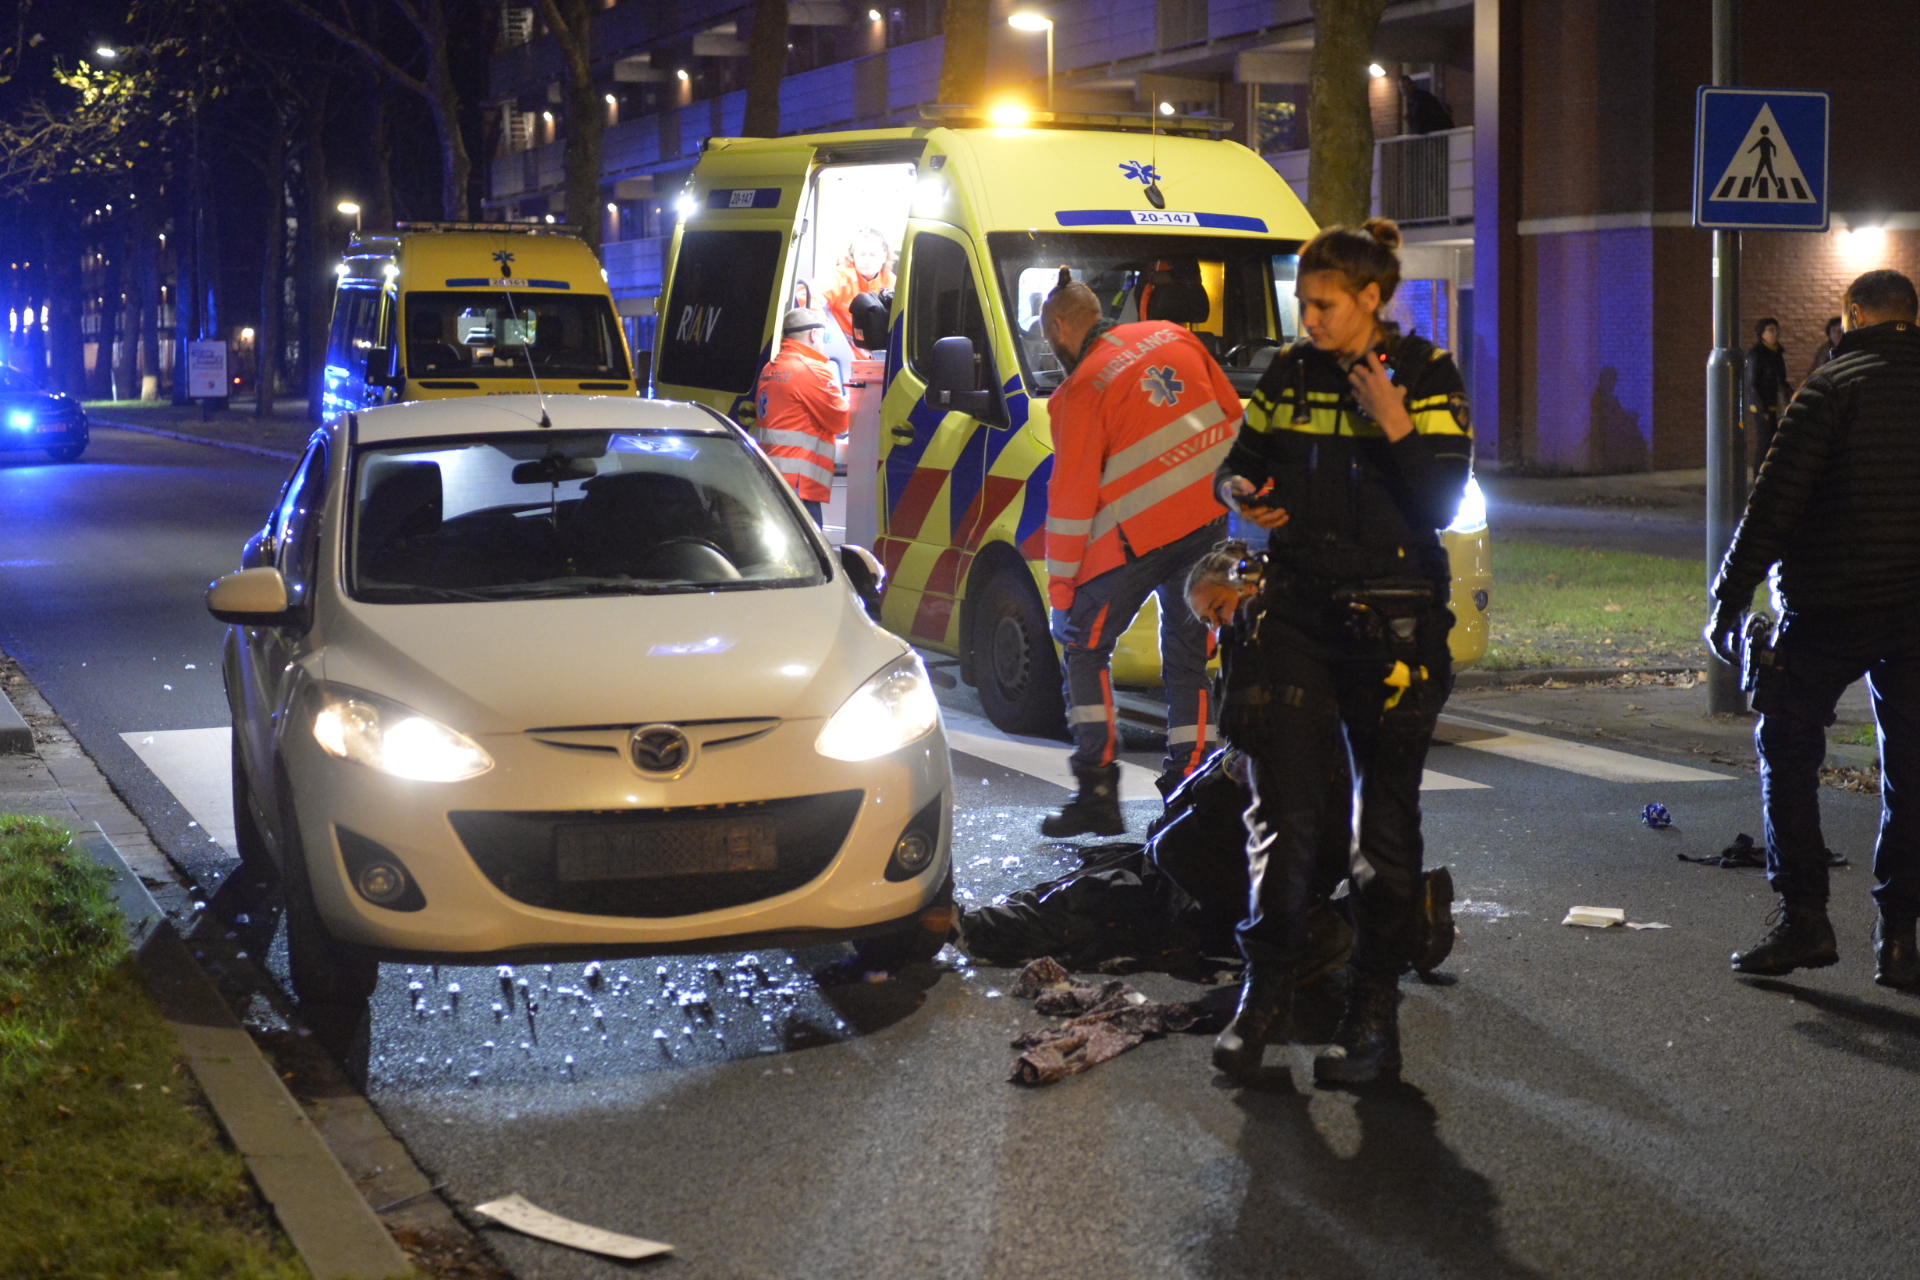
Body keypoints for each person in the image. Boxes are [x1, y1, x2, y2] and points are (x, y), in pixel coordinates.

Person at [1208, 217, 1471, 1085]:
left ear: (1371, 298)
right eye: (1301, 301)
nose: (1307, 318)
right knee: (1282, 813)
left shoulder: (1427, 375)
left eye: (1323, 304)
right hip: (1297, 613)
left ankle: (1372, 1016)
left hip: (1395, 622)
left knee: (1381, 829)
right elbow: (1238, 465)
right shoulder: (1287, 373)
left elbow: (1439, 499)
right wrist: (1247, 489)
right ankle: (1265, 996)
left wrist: (1395, 422)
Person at [1707, 269, 1920, 991]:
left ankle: (1805, 919)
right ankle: (1899, 939)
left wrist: (1727, 599)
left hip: (1829, 607)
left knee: (1788, 748)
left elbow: (1772, 506)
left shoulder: (1831, 388)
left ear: (1853, 317)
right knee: (1912, 773)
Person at [1038, 266, 1241, 836]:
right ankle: (1193, 792)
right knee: (1188, 657)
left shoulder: (1079, 392)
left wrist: (1061, 591)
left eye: (1047, 338)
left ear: (1059, 327)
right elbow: (1232, 417)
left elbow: (1072, 502)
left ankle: (1098, 791)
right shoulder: (1175, 336)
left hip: (1138, 540)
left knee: (1083, 647)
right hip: (1206, 523)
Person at [752, 308, 847, 526]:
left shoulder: (771, 367)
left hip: (774, 475)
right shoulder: (811, 369)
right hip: (798, 481)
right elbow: (841, 421)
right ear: (814, 335)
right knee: (810, 554)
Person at [820, 228, 897, 352]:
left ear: (884, 257)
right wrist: (821, 322)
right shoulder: (841, 277)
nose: (867, 260)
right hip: (845, 353)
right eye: (861, 254)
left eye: (873, 255)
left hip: (882, 355)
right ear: (853, 256)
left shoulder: (892, 283)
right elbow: (806, 292)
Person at [1747, 317, 1790, 482]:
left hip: (1777, 404)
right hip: (1763, 406)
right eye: (1771, 330)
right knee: (1764, 444)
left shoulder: (1777, 352)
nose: (1775, 333)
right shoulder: (1757, 354)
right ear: (1762, 333)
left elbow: (1781, 379)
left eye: (1776, 329)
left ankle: (1771, 477)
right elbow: (1753, 383)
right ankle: (1759, 479)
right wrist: (1761, 408)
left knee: (1776, 443)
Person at [1805, 315, 1844, 382]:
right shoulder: (1823, 350)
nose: (1837, 334)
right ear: (1829, 333)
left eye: (1840, 330)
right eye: (1834, 330)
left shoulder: (1850, 348)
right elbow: (1814, 370)